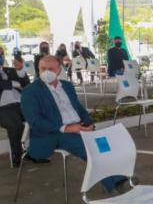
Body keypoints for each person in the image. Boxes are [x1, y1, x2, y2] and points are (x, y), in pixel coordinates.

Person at [21, 55, 127, 193]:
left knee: (106, 144)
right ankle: (118, 183)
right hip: (54, 133)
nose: (46, 72)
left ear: (59, 70)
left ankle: (121, 178)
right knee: (90, 148)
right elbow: (35, 121)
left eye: (51, 69)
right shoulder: (31, 91)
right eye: (43, 69)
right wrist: (66, 128)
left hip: (78, 128)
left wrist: (89, 124)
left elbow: (78, 108)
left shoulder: (67, 86)